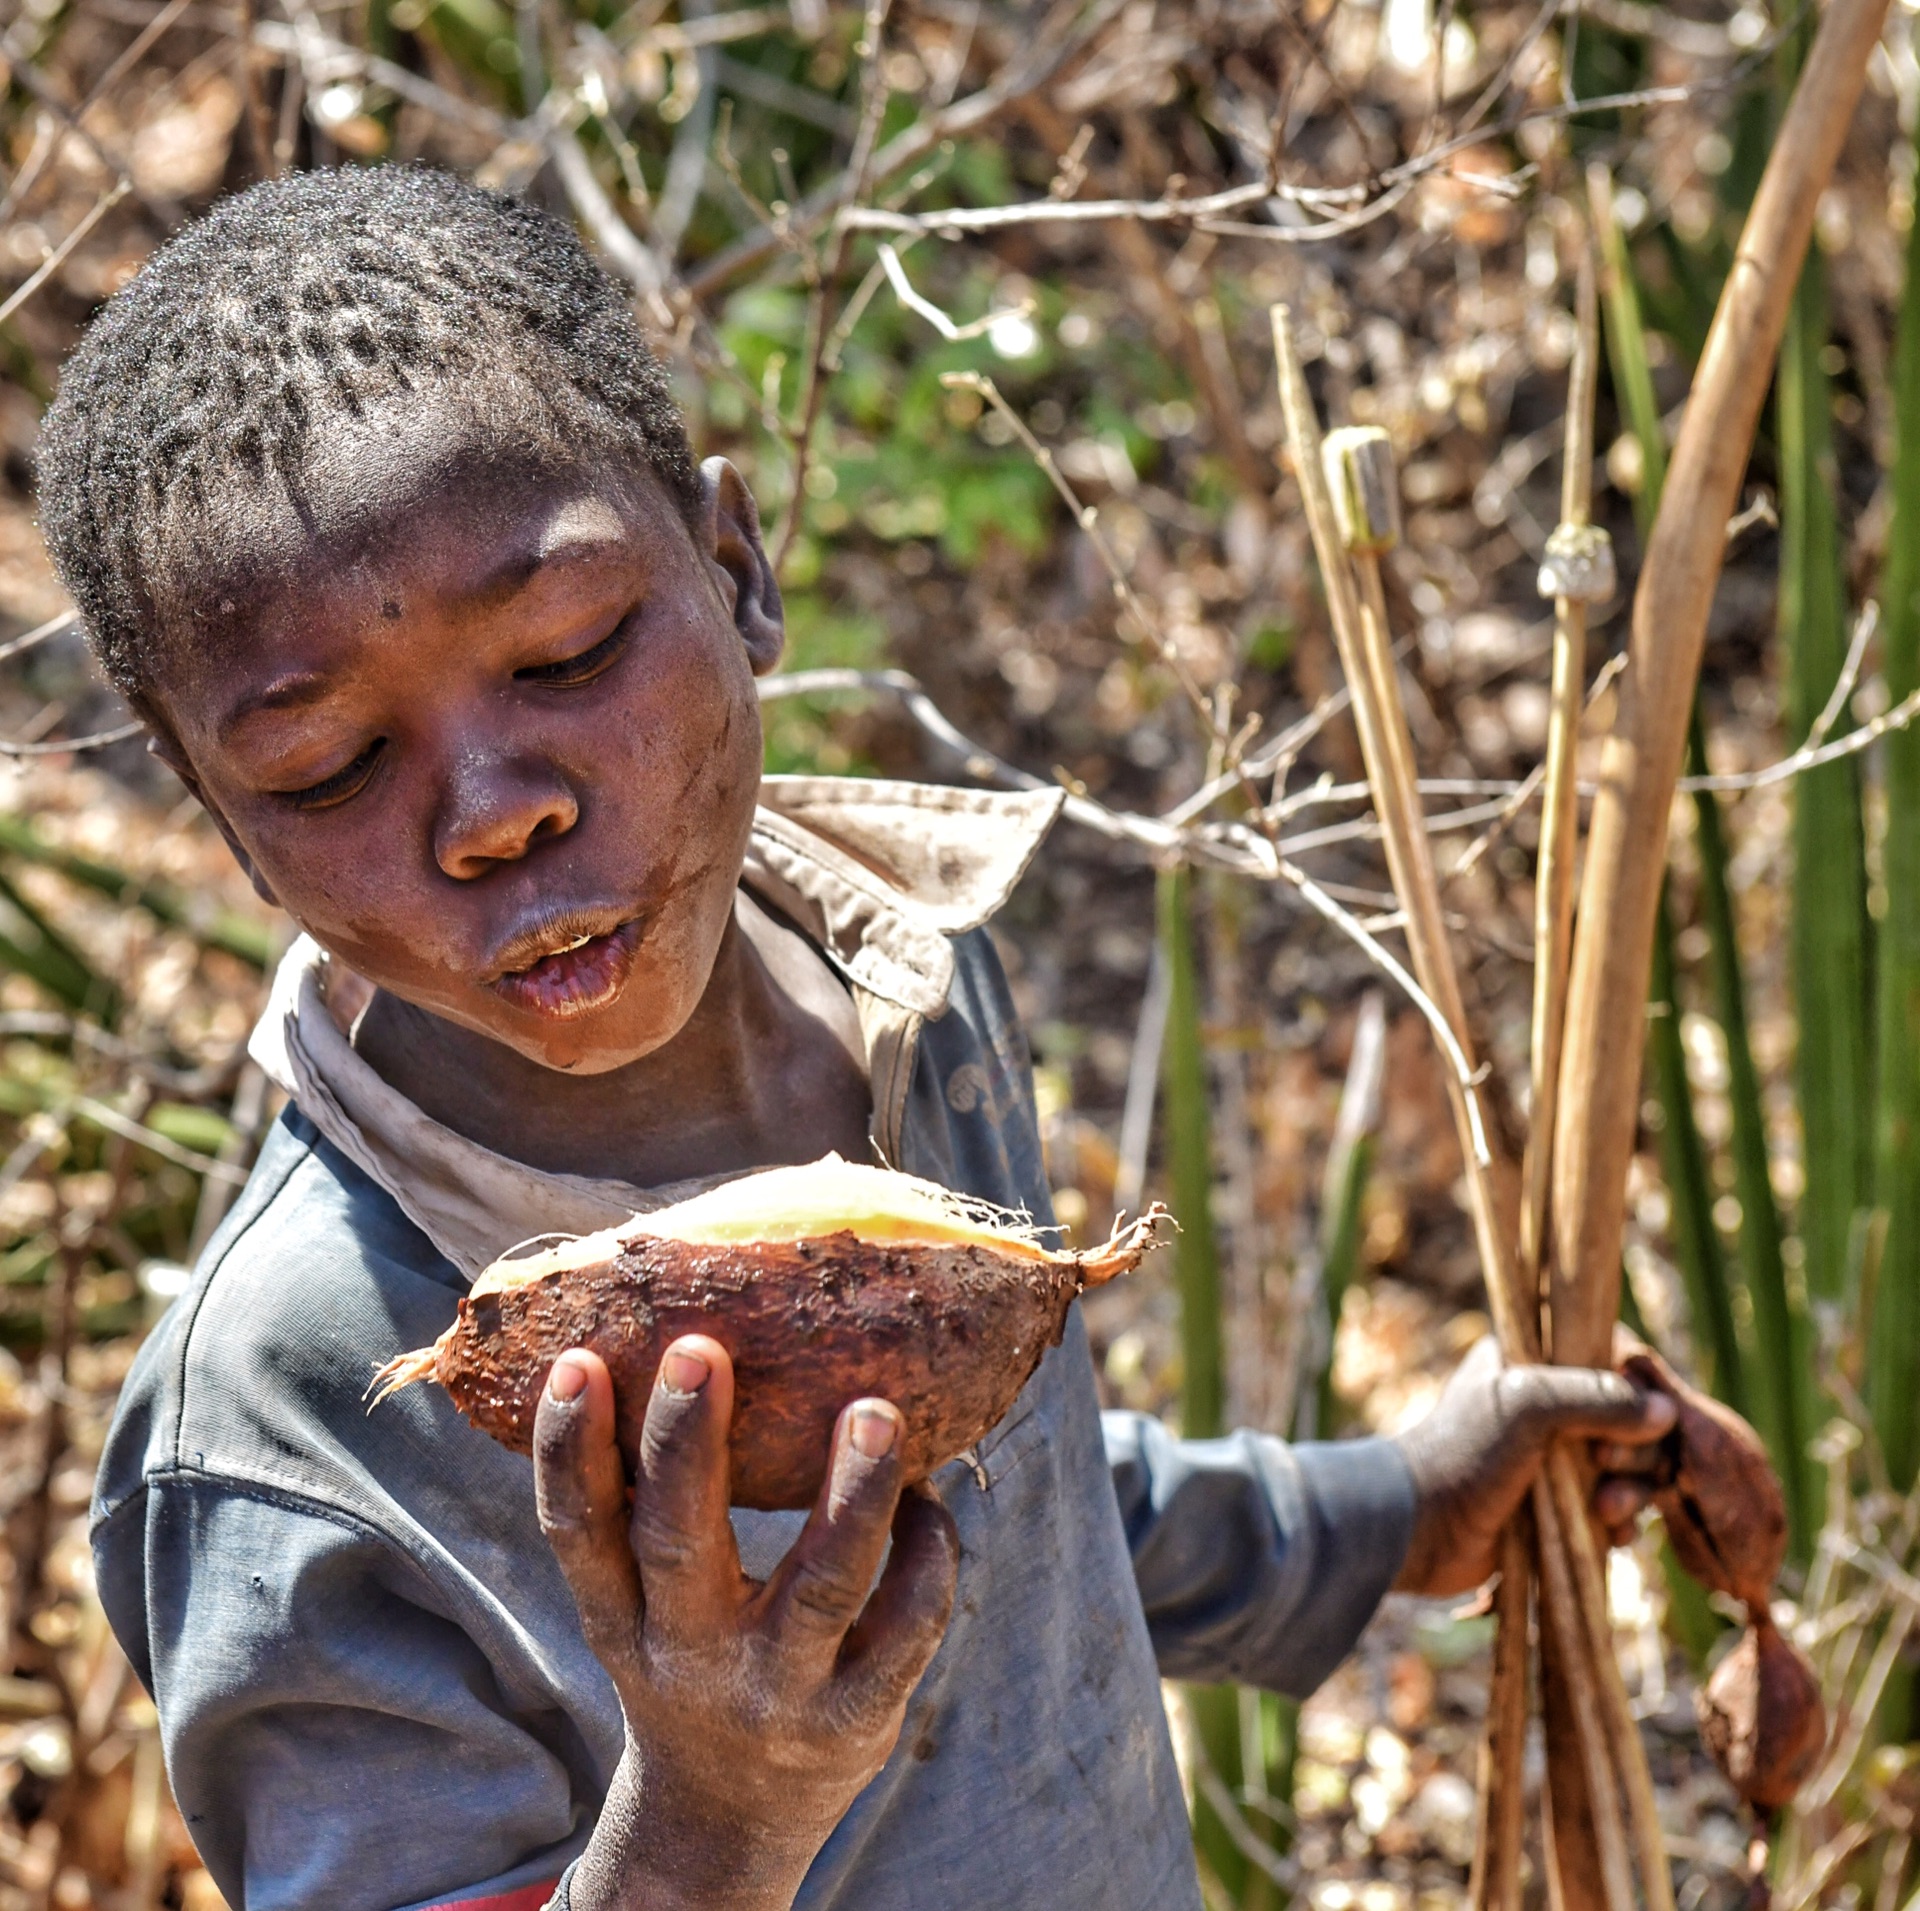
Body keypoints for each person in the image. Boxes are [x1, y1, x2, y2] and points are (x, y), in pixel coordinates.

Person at [38, 166, 1675, 1911]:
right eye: (327, 770)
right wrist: (711, 1822)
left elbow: (1011, 1502)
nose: (491, 814)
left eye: (572, 649)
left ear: (734, 573)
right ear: (228, 826)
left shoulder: (916, 992)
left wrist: (1373, 1517)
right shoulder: (292, 1421)